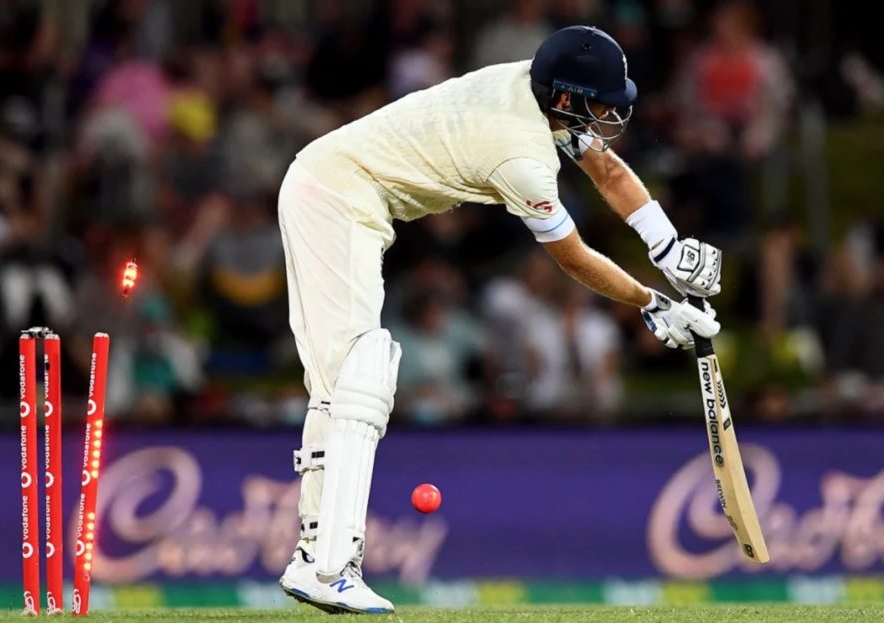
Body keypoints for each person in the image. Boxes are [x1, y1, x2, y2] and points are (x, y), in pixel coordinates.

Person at [277, 26, 722, 614]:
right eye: (598, 102)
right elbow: (572, 255)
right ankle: (329, 566)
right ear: (563, 97)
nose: (610, 114)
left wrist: (667, 249)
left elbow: (608, 170)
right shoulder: (520, 155)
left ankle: (316, 558)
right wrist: (651, 303)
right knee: (359, 373)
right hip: (332, 198)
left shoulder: (531, 86)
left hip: (345, 195)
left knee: (343, 381)